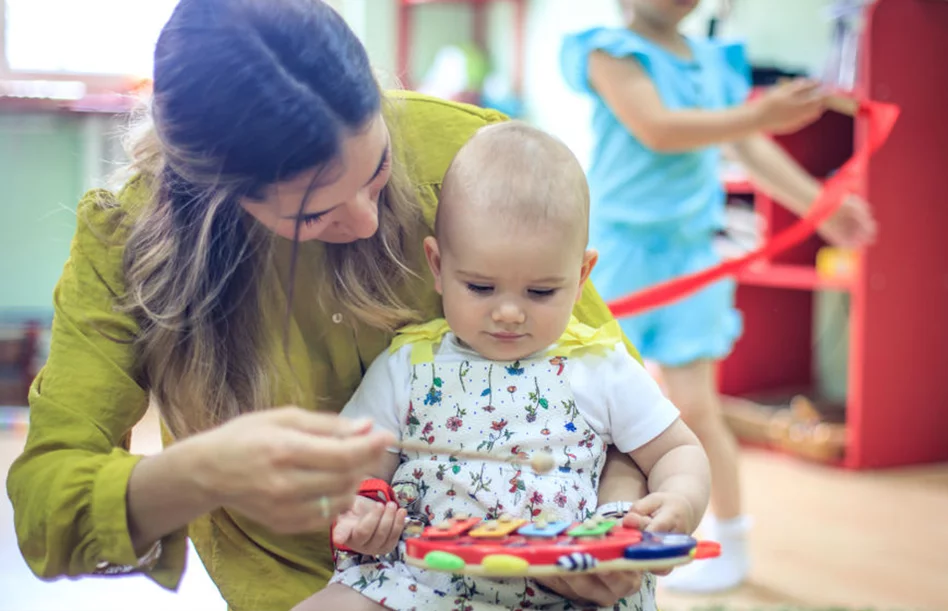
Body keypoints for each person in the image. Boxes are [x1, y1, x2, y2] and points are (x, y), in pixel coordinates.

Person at [5, 1, 655, 609]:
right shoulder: (129, 237)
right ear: (217, 197)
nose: (367, 222)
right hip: (299, 585)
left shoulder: (474, 159)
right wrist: (198, 474)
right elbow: (46, 512)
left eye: (378, 172)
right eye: (312, 215)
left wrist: (606, 531)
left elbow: (626, 417)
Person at [293, 121, 710, 611]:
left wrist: (679, 501)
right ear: (438, 266)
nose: (509, 312)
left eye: (540, 292)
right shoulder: (408, 365)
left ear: (581, 276)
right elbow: (354, 466)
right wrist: (363, 508)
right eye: (481, 287)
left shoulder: (599, 365)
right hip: (421, 581)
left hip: (571, 586)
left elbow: (677, 449)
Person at [560, 0, 878, 594]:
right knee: (599, 406)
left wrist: (821, 205)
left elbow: (751, 149)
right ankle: (588, 535)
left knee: (696, 410)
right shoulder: (608, 50)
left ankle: (730, 543)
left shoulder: (713, 63)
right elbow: (658, 128)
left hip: (693, 258)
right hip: (618, 259)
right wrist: (759, 115)